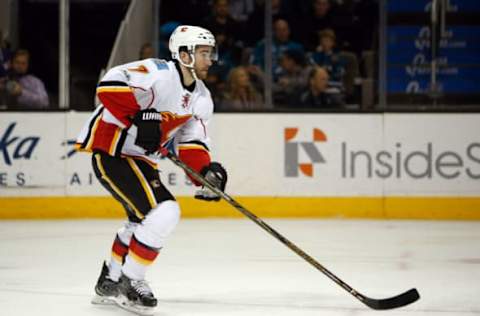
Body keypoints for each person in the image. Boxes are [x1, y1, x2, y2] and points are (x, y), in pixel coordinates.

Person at [76, 25, 228, 314]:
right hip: (112, 150)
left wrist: (206, 173)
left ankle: (109, 281)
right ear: (184, 54)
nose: (211, 60)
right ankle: (131, 281)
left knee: (141, 221)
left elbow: (192, 142)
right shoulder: (158, 72)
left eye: (211, 53)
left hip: (141, 159)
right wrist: (139, 115)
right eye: (204, 53)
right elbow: (108, 84)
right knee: (165, 211)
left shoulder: (202, 98)